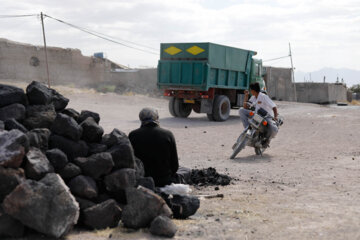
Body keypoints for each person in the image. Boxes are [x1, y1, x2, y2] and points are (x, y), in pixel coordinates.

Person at [129, 107, 187, 187]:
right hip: (164, 180)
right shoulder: (168, 134)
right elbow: (175, 166)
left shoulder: (133, 135)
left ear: (141, 119)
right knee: (185, 170)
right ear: (157, 118)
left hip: (143, 180)